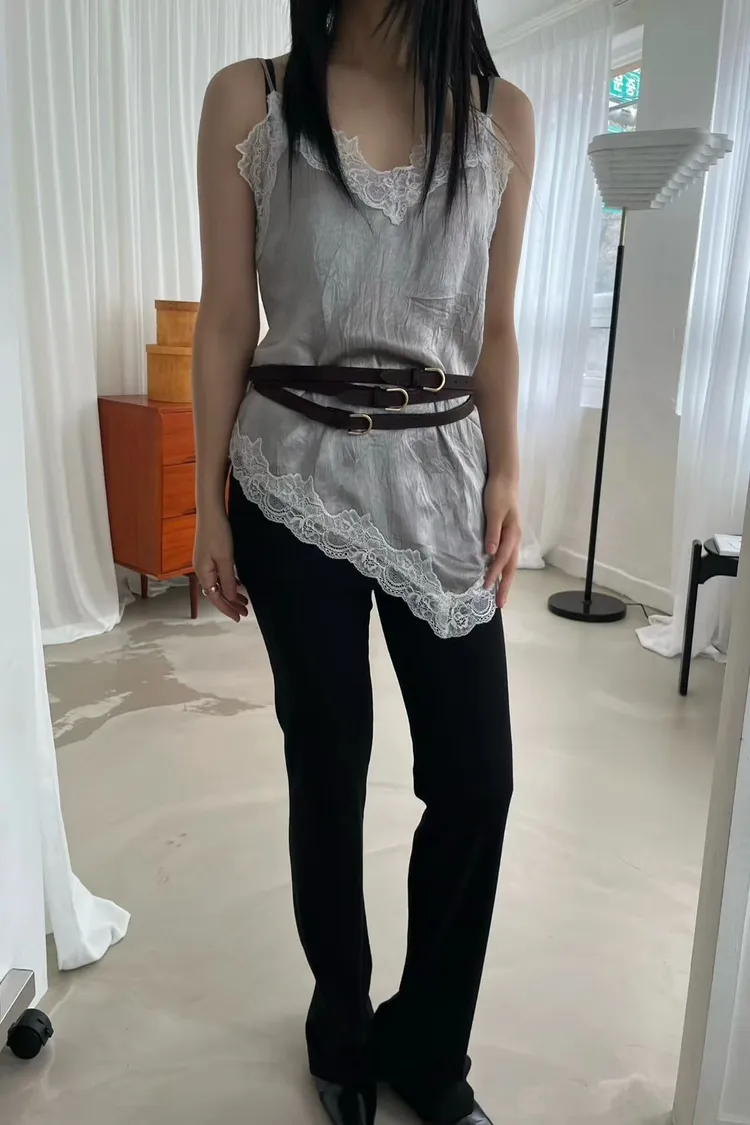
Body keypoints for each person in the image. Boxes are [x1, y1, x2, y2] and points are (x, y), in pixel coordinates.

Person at [192, 2, 533, 1122]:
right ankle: (339, 1032)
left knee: (477, 777)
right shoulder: (253, 98)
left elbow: (494, 328)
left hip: (443, 471)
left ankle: (426, 1050)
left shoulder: (500, 114)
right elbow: (227, 320)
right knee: (329, 762)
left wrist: (507, 471)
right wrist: (207, 508)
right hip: (292, 470)